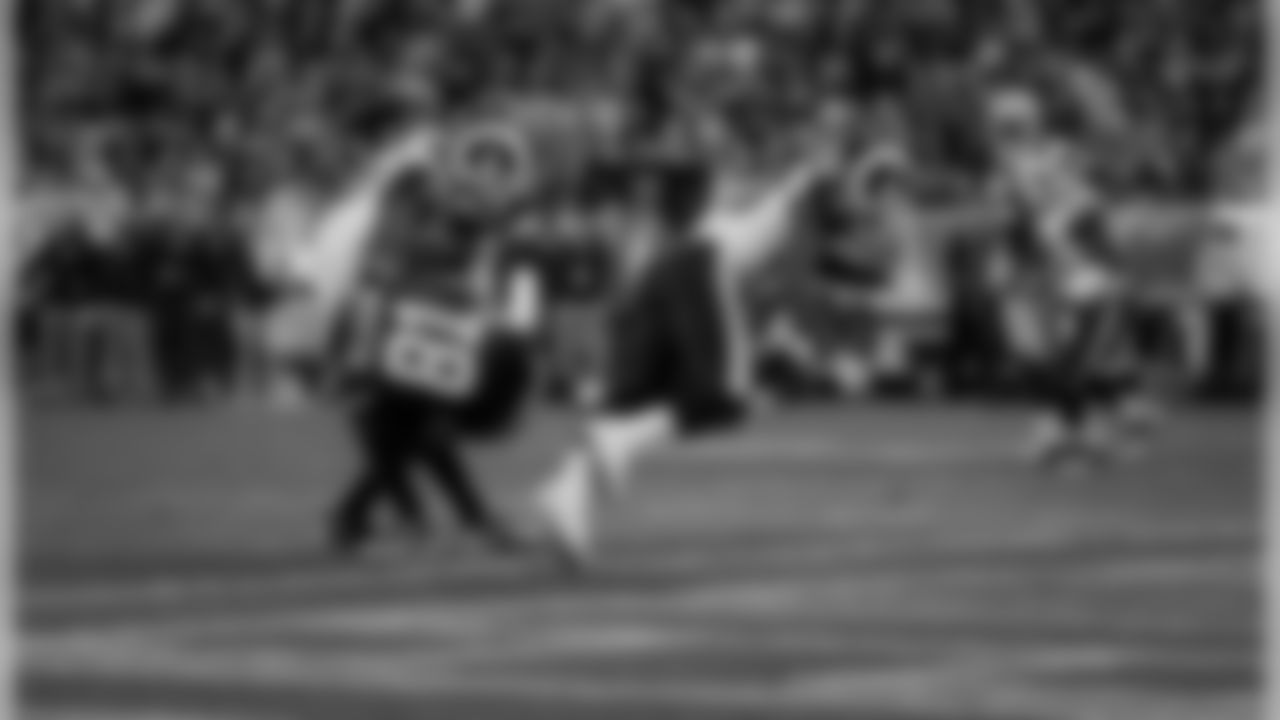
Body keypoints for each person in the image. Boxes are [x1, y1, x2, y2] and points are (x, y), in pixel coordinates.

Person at [529, 134, 840, 569]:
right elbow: (787, 252)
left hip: (663, 275)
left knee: (635, 410)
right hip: (697, 266)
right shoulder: (787, 210)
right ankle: (606, 450)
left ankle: (567, 495)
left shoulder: (768, 210)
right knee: (722, 399)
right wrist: (815, 167)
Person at [322, 134, 542, 556]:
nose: (491, 177)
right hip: (399, 323)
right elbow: (391, 262)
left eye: (499, 169)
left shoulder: (457, 208)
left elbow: (469, 243)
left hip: (429, 328)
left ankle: (371, 516)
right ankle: (456, 520)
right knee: (410, 427)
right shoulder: (420, 198)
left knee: (413, 429)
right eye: (485, 166)